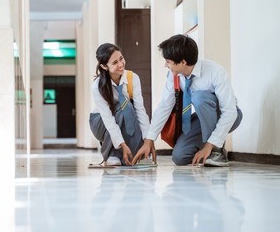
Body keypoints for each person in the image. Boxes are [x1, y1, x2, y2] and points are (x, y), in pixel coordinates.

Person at [133, 34, 243, 167]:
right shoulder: (174, 76)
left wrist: (210, 145)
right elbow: (165, 106)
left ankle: (216, 151)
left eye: (168, 62)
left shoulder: (215, 72)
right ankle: (207, 149)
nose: (165, 65)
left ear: (183, 62)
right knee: (180, 157)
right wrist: (149, 139)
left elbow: (230, 112)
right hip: (203, 118)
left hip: (229, 116)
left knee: (199, 97)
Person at [89, 43, 150, 166]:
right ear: (104, 66)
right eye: (115, 62)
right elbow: (107, 119)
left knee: (127, 107)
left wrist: (148, 140)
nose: (121, 64)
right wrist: (122, 145)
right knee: (123, 106)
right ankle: (111, 154)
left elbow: (140, 110)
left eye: (121, 58)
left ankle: (127, 153)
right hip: (100, 122)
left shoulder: (133, 78)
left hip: (124, 118)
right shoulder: (98, 86)